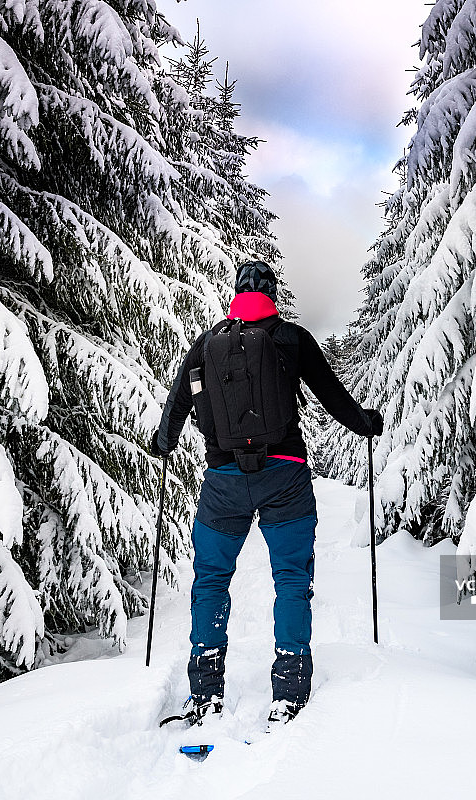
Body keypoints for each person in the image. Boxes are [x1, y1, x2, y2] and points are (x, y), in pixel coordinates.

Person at [151, 260, 382, 729]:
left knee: (212, 580)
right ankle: (290, 689)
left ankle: (206, 691)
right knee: (291, 579)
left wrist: (164, 443)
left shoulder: (205, 346)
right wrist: (365, 423)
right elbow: (330, 394)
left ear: (234, 294)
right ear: (273, 295)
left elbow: (177, 405)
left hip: (223, 482)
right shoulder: (291, 339)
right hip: (286, 476)